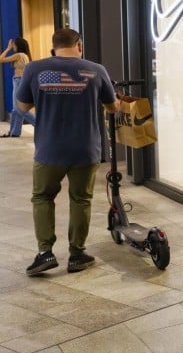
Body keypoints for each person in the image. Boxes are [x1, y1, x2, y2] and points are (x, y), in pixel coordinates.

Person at [17, 28, 119, 275]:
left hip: (49, 149)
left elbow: (21, 106)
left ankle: (45, 254)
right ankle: (77, 255)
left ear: (53, 47)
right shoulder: (96, 69)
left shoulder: (35, 69)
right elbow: (113, 106)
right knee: (81, 200)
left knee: (42, 198)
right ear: (79, 45)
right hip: (85, 150)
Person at [1, 38, 37, 137]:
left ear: (18, 46)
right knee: (15, 109)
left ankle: (39, 125)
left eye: (14, 45)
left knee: (18, 108)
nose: (13, 47)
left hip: (19, 81)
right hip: (20, 81)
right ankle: (14, 133)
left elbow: (1, 59)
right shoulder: (25, 55)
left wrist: (8, 48)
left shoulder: (19, 55)